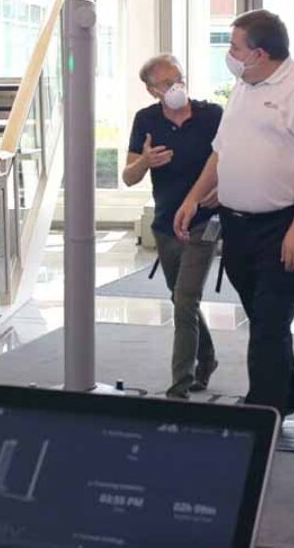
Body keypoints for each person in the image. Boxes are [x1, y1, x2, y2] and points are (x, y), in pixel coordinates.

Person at [174, 9, 294, 418]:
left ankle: (261, 416)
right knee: (266, 321)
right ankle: (287, 396)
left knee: (267, 327)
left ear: (259, 53)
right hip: (236, 225)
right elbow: (220, 149)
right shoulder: (242, 86)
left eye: (234, 47)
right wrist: (194, 197)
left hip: (283, 225)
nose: (229, 54)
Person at [123, 53, 223, 399]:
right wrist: (146, 161)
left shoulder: (212, 115)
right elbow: (129, 176)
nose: (176, 86)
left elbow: (233, 158)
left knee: (185, 297)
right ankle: (207, 357)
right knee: (182, 298)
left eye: (179, 78)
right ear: (153, 91)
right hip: (166, 224)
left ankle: (181, 384)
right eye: (166, 83)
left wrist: (220, 189)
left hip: (204, 221)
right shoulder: (145, 120)